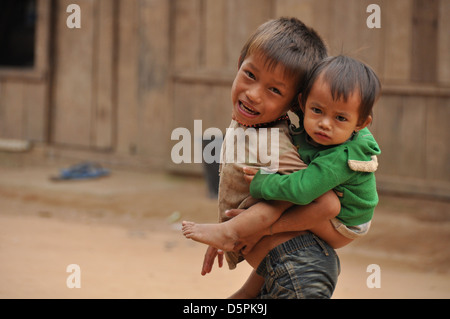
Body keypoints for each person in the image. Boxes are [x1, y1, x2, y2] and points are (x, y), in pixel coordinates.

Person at [182, 17, 347, 298]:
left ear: (295, 102)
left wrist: (237, 230)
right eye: (250, 75)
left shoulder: (272, 143)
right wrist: (231, 230)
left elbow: (327, 203)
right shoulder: (251, 129)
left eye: (274, 90)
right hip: (283, 269)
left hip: (300, 269)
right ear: (239, 64)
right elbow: (271, 211)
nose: (254, 94)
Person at [229, 55, 382, 298]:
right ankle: (248, 292)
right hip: (334, 207)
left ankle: (262, 231)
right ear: (302, 103)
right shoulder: (312, 126)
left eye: (340, 118)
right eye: (317, 110)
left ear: (361, 123)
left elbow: (302, 189)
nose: (324, 124)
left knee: (287, 211)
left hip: (345, 223)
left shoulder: (340, 156)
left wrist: (263, 184)